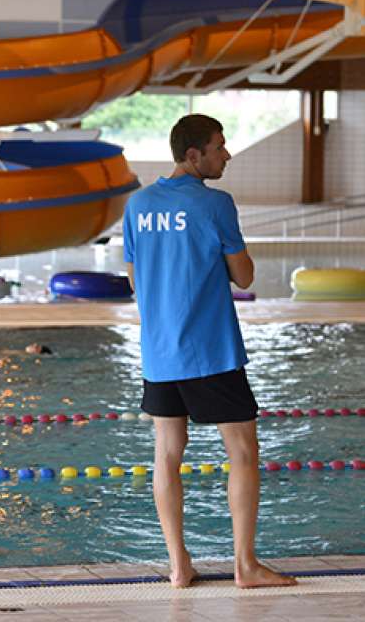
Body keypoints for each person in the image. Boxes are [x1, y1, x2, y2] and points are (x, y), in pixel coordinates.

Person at [122, 114, 297, 590]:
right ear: (194, 155)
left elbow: (136, 281)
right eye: (220, 147)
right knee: (242, 450)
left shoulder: (137, 205)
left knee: (167, 455)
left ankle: (179, 566)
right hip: (209, 350)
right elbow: (244, 277)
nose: (228, 155)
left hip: (160, 353)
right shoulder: (216, 204)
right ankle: (245, 565)